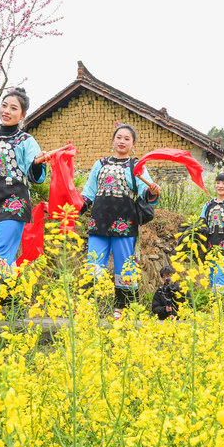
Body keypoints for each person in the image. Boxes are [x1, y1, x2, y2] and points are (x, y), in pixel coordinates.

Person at [80, 123, 161, 317]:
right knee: (93, 263)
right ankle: (87, 306)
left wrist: (152, 191)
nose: (122, 141)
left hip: (124, 222)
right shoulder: (99, 164)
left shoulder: (136, 166)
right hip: (98, 220)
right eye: (119, 137)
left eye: (127, 138)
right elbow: (88, 193)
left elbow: (145, 191)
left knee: (125, 265)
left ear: (133, 144)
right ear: (113, 140)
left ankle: (123, 308)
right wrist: (70, 209)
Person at [0, 88, 50, 270]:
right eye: (4, 106)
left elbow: (37, 177)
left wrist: (37, 163)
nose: (6, 111)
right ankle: (9, 296)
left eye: (13, 108)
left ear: (22, 115)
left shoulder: (26, 140)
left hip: (14, 203)